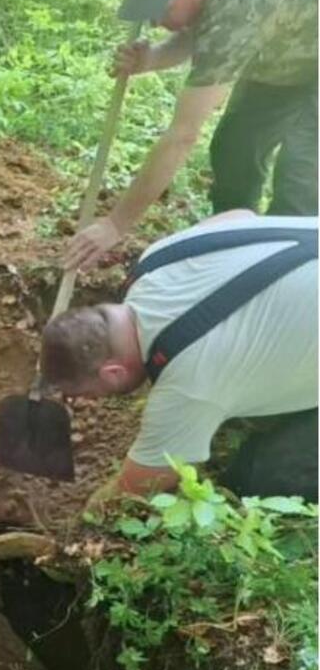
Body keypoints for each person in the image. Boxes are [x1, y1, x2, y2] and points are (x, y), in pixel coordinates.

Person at [67, 0, 318, 272]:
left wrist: (115, 224)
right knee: (235, 149)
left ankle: (284, 277)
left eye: (163, 7)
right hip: (288, 53)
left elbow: (182, 136)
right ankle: (235, 252)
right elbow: (201, 31)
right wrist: (150, 59)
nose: (156, 22)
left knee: (300, 180)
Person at [44, 211, 317, 503]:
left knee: (258, 478)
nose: (90, 401)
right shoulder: (156, 259)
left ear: (113, 372)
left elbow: (138, 486)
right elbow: (241, 215)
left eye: (88, 393)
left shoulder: (188, 384)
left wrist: (87, 510)